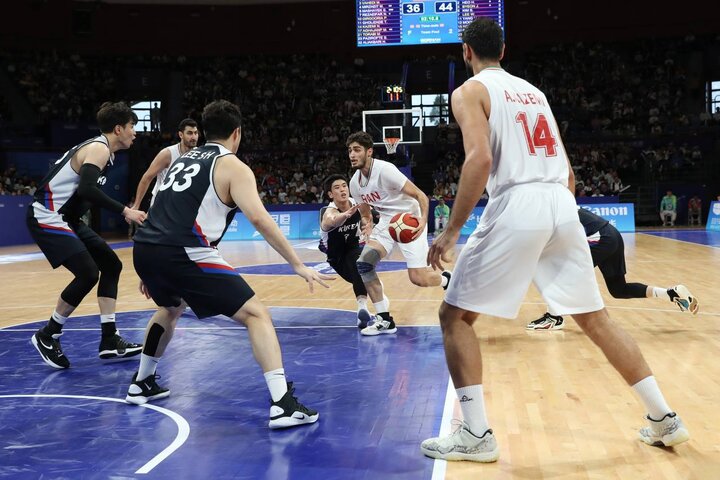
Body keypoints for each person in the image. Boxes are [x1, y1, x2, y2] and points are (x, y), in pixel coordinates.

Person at [422, 18, 689, 463]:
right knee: (596, 318)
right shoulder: (535, 93)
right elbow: (567, 173)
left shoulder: (469, 92)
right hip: (560, 204)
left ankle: (476, 434)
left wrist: (452, 231)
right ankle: (664, 418)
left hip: (519, 201)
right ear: (503, 51)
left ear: (465, 51)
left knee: (454, 317)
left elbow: (480, 159)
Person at [127, 100, 331, 429]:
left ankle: (142, 382)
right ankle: (282, 404)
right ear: (237, 133)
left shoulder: (182, 159)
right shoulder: (233, 166)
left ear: (205, 131)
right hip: (182, 250)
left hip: (146, 247)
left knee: (170, 306)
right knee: (256, 315)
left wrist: (153, 264)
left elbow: (161, 204)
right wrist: (297, 264)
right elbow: (260, 219)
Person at [27, 101, 147, 369]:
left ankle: (109, 338)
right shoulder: (99, 148)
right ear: (118, 129)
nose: (134, 133)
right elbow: (87, 190)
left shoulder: (102, 150)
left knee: (111, 265)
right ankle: (48, 334)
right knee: (88, 273)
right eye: (132, 127)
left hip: (66, 218)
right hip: (48, 214)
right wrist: (126, 211)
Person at [346, 131, 451, 336]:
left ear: (369, 152)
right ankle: (385, 320)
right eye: (349, 150)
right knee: (364, 264)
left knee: (418, 278)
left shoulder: (385, 170)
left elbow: (420, 195)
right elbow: (366, 213)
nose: (352, 154)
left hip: (409, 218)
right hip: (386, 221)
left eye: (357, 150)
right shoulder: (354, 184)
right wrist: (367, 225)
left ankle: (448, 280)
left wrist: (422, 220)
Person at [527, 207, 699, 330]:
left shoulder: (544, 212)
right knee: (618, 289)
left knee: (562, 275)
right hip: (611, 234)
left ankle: (554, 318)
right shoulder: (554, 204)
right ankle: (670, 293)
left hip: (600, 237)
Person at [319, 174, 373, 329]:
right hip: (335, 256)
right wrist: (345, 215)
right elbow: (331, 220)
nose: (342, 189)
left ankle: (362, 308)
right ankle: (375, 296)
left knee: (359, 266)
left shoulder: (356, 203)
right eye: (337, 188)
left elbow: (367, 216)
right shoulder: (327, 211)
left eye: (344, 185)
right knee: (362, 279)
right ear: (330, 194)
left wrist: (367, 223)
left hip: (353, 247)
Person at [131, 118, 199, 210]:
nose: (194, 137)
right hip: (162, 204)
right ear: (181, 135)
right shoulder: (167, 154)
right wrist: (136, 205)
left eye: (196, 133)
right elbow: (147, 178)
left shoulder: (199, 154)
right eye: (190, 133)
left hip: (183, 206)